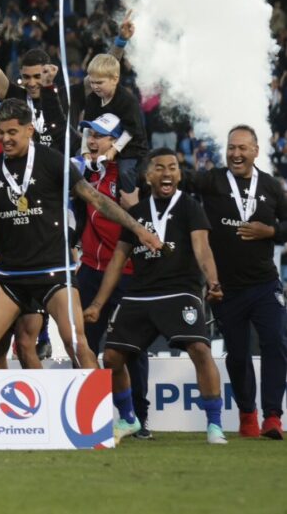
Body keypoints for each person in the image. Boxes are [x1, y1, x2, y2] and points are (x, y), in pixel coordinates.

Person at [0, 98, 162, 369]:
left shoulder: (52, 161)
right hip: (11, 273)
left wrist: (138, 228)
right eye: (1, 132)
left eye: (12, 132)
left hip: (54, 269)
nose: (5, 139)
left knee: (76, 342)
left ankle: (100, 410)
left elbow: (96, 199)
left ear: (29, 130)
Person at [84, 148, 227, 445]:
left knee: (200, 349)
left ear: (179, 173)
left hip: (179, 290)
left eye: (173, 167)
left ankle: (214, 425)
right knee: (111, 357)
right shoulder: (135, 215)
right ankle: (128, 417)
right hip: (139, 294)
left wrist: (212, 281)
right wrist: (97, 303)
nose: (167, 173)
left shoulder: (189, 206)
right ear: (148, 176)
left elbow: (202, 249)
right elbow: (117, 261)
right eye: (160, 168)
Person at [190, 125, 287, 440]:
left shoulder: (271, 187)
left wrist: (270, 232)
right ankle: (247, 414)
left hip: (264, 285)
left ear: (256, 151)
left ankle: (272, 416)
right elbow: (176, 178)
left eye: (243, 148)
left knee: (276, 343)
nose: (236, 153)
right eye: (231, 147)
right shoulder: (212, 181)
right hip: (226, 289)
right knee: (238, 353)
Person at [73, 113, 151, 437]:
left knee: (129, 349)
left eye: (101, 136)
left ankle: (139, 419)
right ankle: (90, 417)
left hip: (128, 274)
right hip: (91, 269)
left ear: (116, 142)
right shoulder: (84, 172)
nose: (93, 141)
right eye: (90, 134)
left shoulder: (131, 177)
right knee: (84, 342)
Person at [0, 0, 68, 153]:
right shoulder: (14, 95)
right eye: (26, 77)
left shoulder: (62, 98)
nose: (32, 83)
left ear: (48, 72)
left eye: (37, 76)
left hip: (53, 172)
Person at [81, 53, 148, 206]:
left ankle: (131, 204)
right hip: (101, 143)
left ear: (115, 79)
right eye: (92, 82)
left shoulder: (127, 100)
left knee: (125, 172)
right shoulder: (92, 99)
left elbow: (130, 130)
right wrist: (85, 151)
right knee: (81, 163)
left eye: (99, 82)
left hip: (131, 147)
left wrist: (113, 150)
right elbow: (87, 126)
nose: (95, 86)